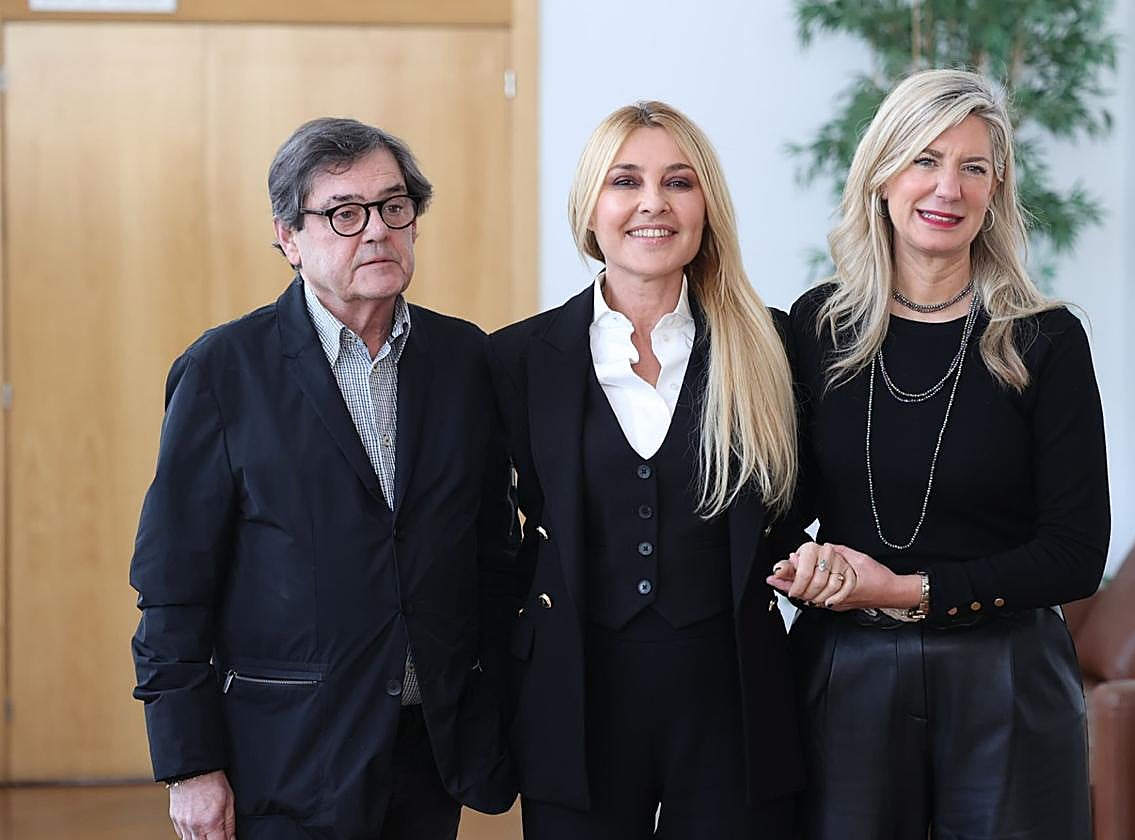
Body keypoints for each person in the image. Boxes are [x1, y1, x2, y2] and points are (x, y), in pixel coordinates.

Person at [130, 117, 520, 840]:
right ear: (287, 237)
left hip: (428, 748)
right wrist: (189, 765)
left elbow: (492, 553)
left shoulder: (465, 360)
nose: (376, 231)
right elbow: (171, 588)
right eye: (344, 214)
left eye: (394, 207)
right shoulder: (223, 372)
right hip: (287, 752)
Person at [768, 69, 1108, 839]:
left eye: (974, 167)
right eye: (925, 159)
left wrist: (909, 589)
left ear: (996, 191)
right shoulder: (817, 327)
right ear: (882, 174)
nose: (946, 187)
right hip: (845, 675)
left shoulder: (1046, 339)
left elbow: (1076, 553)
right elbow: (782, 511)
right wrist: (805, 567)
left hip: (1008, 681)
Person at [489, 101, 803, 840]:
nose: (652, 203)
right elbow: (487, 542)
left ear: (706, 208)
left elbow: (798, 512)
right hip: (575, 698)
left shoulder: (775, 347)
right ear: (590, 208)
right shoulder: (515, 361)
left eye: (679, 182)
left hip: (732, 701)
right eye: (625, 181)